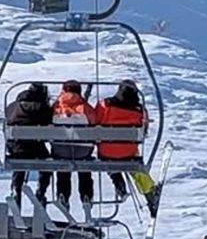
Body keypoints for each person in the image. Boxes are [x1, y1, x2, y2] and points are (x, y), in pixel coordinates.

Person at [93, 79, 159, 214]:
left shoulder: (105, 104)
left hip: (106, 151)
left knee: (110, 159)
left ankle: (118, 182)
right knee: (134, 165)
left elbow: (95, 122)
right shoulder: (140, 109)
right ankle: (149, 191)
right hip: (128, 152)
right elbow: (143, 131)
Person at [4, 82, 52, 209]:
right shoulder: (43, 108)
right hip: (35, 146)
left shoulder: (14, 106)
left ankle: (16, 188)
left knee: (19, 163)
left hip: (17, 147)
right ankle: (41, 191)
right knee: (47, 163)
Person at [51, 80, 96, 214]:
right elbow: (95, 123)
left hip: (60, 149)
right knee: (85, 167)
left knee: (63, 168)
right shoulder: (85, 107)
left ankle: (63, 194)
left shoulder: (56, 107)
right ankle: (86, 195)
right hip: (83, 150)